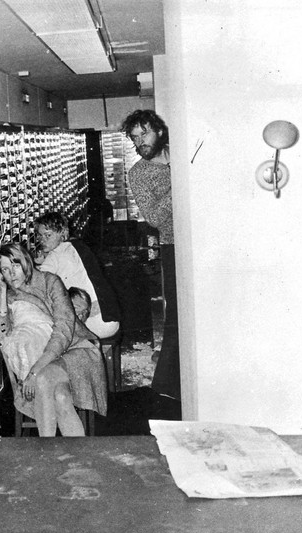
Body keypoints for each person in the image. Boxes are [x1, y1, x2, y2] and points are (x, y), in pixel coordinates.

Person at [0, 242, 106, 437]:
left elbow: (64, 330)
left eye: (15, 265)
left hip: (76, 351)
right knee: (60, 397)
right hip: (48, 359)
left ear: (26, 261)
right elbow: (2, 334)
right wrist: (1, 290)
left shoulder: (50, 282)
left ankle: (46, 451)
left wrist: (34, 372)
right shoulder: (10, 294)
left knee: (43, 379)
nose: (11, 274)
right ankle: (80, 458)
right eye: (5, 269)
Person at [122, 109, 180, 401]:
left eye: (144, 133)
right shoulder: (139, 173)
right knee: (178, 316)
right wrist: (181, 182)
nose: (139, 141)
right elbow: (155, 218)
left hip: (206, 242)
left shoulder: (183, 153)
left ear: (159, 131)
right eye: (134, 137)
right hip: (173, 246)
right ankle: (167, 389)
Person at [34, 211, 121, 339]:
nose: (42, 240)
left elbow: (36, 283)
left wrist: (30, 264)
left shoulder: (55, 255)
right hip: (110, 319)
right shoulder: (77, 245)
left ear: (62, 234)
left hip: (93, 325)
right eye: (40, 236)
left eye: (48, 235)